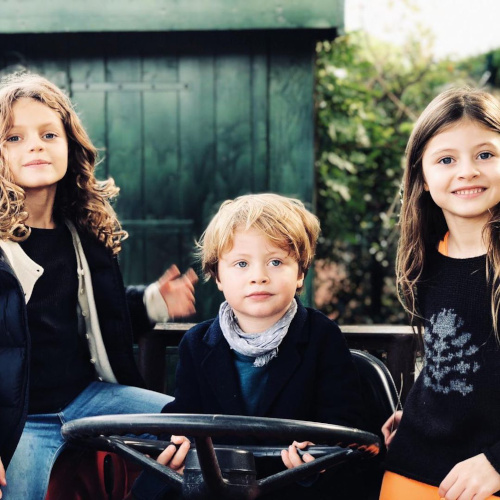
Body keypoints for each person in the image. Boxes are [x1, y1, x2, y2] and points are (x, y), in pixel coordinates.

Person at [0, 72, 197, 500]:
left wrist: (153, 302)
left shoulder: (81, 233)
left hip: (87, 399)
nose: (35, 145)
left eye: (49, 134)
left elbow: (95, 313)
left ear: (70, 145)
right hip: (18, 421)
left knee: (194, 435)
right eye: (14, 138)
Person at [131, 193, 366, 500]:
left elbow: (343, 420)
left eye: (276, 262)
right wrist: (175, 445)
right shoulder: (197, 343)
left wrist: (317, 455)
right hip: (218, 487)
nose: (259, 277)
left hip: (293, 486)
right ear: (217, 276)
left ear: (300, 274)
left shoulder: (322, 336)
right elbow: (184, 418)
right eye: (241, 263)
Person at [380, 87, 500, 500]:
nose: (467, 171)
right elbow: (450, 359)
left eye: (485, 154)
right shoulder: (426, 260)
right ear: (423, 179)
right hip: (412, 462)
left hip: (485, 478)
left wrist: (497, 462)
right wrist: (423, 408)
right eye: (446, 160)